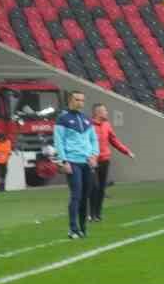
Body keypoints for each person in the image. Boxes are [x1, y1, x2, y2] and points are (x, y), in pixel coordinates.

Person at [53, 90, 99, 239]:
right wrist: (64, 161)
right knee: (76, 195)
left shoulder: (87, 119)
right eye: (77, 99)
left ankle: (83, 228)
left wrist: (94, 155)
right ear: (70, 101)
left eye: (82, 100)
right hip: (73, 162)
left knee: (85, 196)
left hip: (87, 162)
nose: (80, 103)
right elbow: (59, 141)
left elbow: (93, 140)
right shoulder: (62, 119)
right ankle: (73, 229)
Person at [88, 103, 134, 222]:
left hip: (105, 160)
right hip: (92, 161)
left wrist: (127, 151)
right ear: (97, 112)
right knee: (94, 187)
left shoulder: (107, 125)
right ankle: (90, 213)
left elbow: (114, 140)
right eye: (104, 111)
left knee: (101, 188)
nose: (107, 113)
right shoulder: (88, 126)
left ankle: (97, 214)